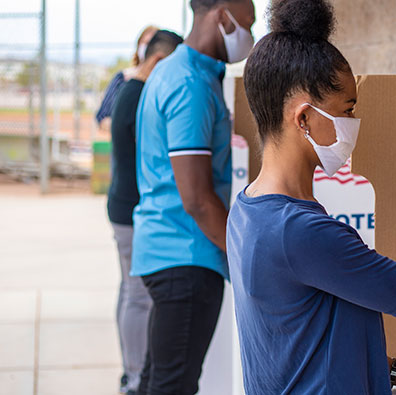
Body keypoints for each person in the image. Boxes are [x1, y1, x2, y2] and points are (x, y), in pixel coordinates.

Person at [227, 0, 396, 394]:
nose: (353, 124)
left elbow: (310, 338)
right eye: (347, 109)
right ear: (303, 117)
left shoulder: (247, 209)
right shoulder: (301, 233)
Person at [131, 1, 255, 394]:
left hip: (165, 251)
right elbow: (198, 198)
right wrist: (243, 259)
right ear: (223, 18)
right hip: (185, 257)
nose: (250, 36)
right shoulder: (191, 86)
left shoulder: (172, 71)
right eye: (248, 24)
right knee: (173, 385)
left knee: (159, 380)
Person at [107, 30, 184, 395]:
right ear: (157, 61)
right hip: (130, 210)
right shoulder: (139, 96)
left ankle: (131, 374)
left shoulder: (129, 90)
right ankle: (136, 379)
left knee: (130, 292)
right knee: (137, 296)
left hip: (123, 206)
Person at [96, 25, 158, 132]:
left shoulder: (163, 81)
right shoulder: (123, 78)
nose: (148, 48)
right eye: (146, 43)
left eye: (152, 44)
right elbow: (102, 117)